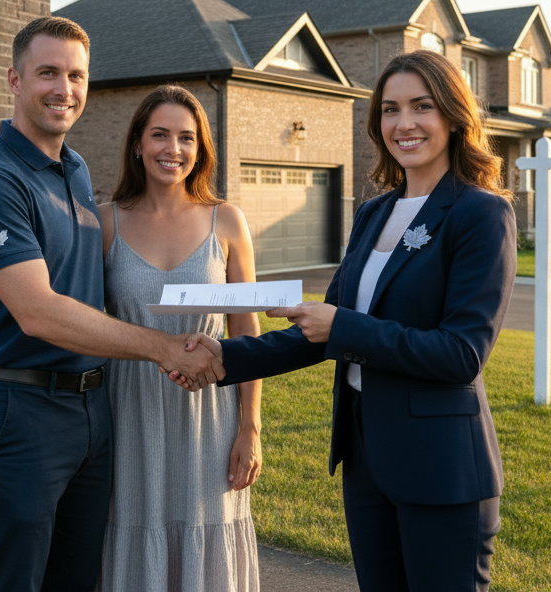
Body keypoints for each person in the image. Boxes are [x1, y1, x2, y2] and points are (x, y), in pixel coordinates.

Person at [176, 50, 516, 591]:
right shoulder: (373, 212)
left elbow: (461, 355)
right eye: (390, 109)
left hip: (441, 469)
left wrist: (341, 327)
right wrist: (225, 358)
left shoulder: (480, 213)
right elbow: (322, 333)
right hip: (366, 460)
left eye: (421, 106)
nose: (404, 124)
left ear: (454, 116)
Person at [0, 17, 225, 592]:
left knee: (78, 581)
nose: (63, 89)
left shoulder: (72, 171)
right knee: (14, 582)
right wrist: (163, 347)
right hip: (18, 409)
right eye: (47, 72)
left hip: (92, 412)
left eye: (76, 75)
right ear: (14, 79)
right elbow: (38, 311)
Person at [97, 85, 263, 592]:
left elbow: (247, 330)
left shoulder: (227, 221)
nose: (174, 149)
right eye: (160, 135)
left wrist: (249, 428)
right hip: (129, 413)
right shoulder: (105, 223)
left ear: (201, 148)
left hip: (210, 422)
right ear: (137, 145)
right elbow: (88, 323)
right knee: (132, 530)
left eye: (186, 137)